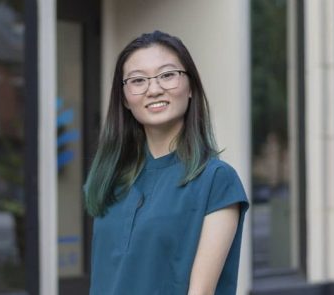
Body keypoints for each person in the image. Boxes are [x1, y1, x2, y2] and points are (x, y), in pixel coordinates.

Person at [84, 31, 249, 295]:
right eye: (138, 80)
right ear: (125, 98)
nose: (154, 89)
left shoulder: (217, 180)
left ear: (191, 86)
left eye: (167, 75)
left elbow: (201, 292)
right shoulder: (111, 179)